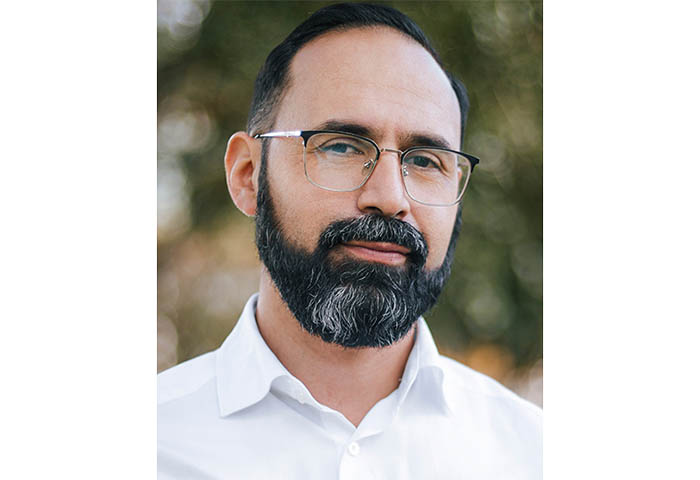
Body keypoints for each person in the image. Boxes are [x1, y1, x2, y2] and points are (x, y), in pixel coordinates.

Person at [158, 3, 542, 478]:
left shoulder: (533, 454)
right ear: (248, 174)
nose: (390, 197)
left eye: (426, 161)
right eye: (340, 146)